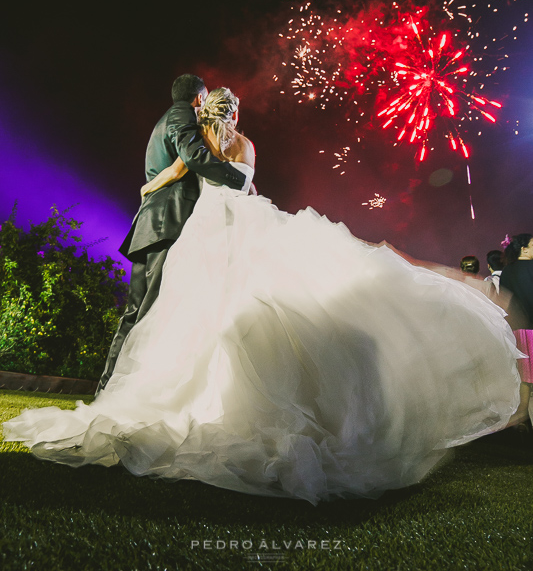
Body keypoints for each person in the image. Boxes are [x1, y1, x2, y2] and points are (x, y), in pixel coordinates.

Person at [4, 89, 524, 504]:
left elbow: (220, 180)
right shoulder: (225, 143)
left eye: (226, 111)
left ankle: (223, 397)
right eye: (223, 110)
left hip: (221, 226)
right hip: (211, 229)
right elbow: (207, 177)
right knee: (206, 307)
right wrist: (157, 186)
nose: (226, 116)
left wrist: (162, 184)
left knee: (227, 303)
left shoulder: (217, 142)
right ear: (220, 111)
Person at [95, 75, 246, 392]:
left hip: (151, 223)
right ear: (198, 99)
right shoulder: (182, 116)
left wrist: (147, 187)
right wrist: (240, 177)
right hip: (168, 221)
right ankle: (122, 392)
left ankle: (107, 388)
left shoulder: (163, 122)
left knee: (136, 313)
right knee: (151, 313)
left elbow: (174, 168)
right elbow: (191, 159)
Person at [499, 233, 533, 426]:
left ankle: (521, 412)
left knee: (525, 376)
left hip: (518, 330)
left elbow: (505, 302)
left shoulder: (507, 272)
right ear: (524, 249)